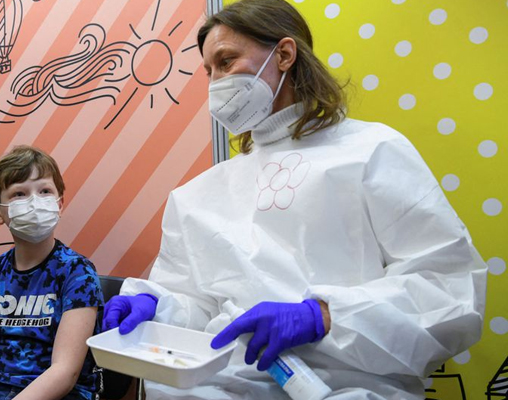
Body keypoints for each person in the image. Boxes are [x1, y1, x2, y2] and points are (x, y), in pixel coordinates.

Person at [102, 0, 487, 399]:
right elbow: (198, 307)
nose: (216, 82)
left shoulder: (372, 151)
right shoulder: (197, 195)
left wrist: (322, 316)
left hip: (349, 387)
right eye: (208, 71)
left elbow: (449, 289)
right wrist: (155, 305)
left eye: (226, 61)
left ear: (284, 54)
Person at [0, 146, 103, 400]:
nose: (34, 201)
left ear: (59, 203)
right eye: (19, 194)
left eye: (44, 191)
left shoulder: (77, 272)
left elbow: (64, 372)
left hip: (63, 393)